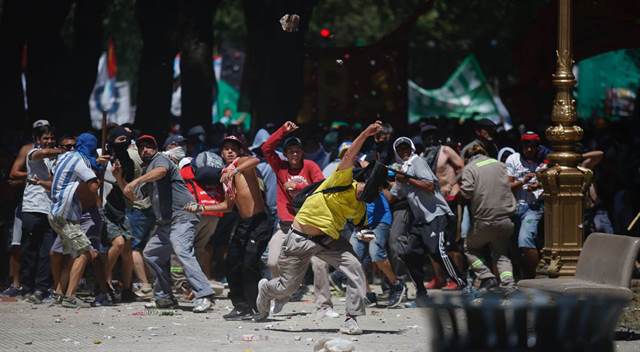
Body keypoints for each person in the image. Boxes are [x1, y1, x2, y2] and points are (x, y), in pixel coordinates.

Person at [256, 121, 388, 336]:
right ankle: (265, 289)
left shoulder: (361, 207)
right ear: (362, 180)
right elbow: (350, 154)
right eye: (371, 187)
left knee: (355, 269)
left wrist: (365, 232)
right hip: (299, 237)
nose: (371, 193)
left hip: (328, 240)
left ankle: (351, 319)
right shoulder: (342, 179)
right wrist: (366, 133)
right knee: (286, 288)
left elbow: (361, 226)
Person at [117, 134, 214, 312]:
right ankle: (164, 297)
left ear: (155, 148)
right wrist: (119, 178)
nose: (145, 149)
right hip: (166, 223)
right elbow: (136, 197)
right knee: (151, 253)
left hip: (182, 215)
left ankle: (205, 294)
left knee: (181, 250)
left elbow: (161, 172)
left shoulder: (161, 159)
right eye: (141, 147)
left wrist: (137, 180)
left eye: (149, 146)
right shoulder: (148, 170)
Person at [185, 135, 272, 320]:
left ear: (240, 150)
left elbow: (257, 159)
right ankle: (241, 307)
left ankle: (258, 307)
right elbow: (227, 206)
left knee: (249, 264)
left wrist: (234, 170)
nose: (230, 151)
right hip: (243, 223)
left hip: (259, 222)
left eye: (234, 148)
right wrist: (201, 207)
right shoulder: (226, 174)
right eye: (226, 149)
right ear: (221, 153)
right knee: (231, 262)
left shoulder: (243, 163)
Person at [261, 121, 338, 318]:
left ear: (302, 152)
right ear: (285, 154)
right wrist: (283, 131)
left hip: (309, 228)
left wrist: (297, 189)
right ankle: (281, 295)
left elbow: (322, 187)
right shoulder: (280, 168)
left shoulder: (310, 166)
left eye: (297, 150)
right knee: (272, 261)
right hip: (286, 227)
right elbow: (266, 148)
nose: (294, 154)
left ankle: (324, 305)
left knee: (320, 264)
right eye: (290, 151)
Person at [389, 137, 466, 306]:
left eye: (406, 148)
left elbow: (429, 186)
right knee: (408, 253)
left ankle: (463, 286)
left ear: (412, 149)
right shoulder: (402, 169)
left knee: (437, 250)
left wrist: (407, 179)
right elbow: (394, 196)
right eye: (400, 150)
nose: (404, 152)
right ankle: (421, 295)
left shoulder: (417, 162)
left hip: (436, 215)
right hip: (420, 220)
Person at [48, 133, 106, 308]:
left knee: (73, 255)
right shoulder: (81, 161)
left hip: (56, 213)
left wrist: (95, 164)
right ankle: (70, 297)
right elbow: (93, 186)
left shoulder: (65, 156)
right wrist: (100, 171)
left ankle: (59, 294)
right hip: (65, 216)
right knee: (85, 253)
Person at [459, 145, 516, 289]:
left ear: (467, 158)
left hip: (484, 221)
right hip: (505, 220)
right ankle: (508, 284)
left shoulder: (470, 168)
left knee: (469, 248)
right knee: (502, 254)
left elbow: (467, 192)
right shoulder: (500, 165)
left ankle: (486, 275)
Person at [20, 124, 62, 303]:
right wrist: (59, 150)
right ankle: (26, 287)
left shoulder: (56, 159)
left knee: (47, 251)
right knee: (30, 250)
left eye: (52, 138)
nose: (49, 141)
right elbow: (42, 154)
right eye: (45, 138)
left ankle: (41, 289)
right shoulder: (33, 153)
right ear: (38, 140)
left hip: (50, 209)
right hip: (32, 208)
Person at [420, 124, 466, 290]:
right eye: (426, 135)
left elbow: (462, 167)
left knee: (451, 242)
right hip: (432, 203)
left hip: (450, 200)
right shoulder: (423, 156)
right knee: (432, 242)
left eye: (432, 134)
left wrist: (453, 185)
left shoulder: (446, 151)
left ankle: (457, 278)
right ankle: (438, 278)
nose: (430, 138)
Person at [505, 132, 547, 279]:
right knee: (513, 246)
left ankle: (535, 276)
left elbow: (548, 182)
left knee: (525, 239)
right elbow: (507, 185)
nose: (529, 149)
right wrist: (523, 180)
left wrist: (538, 184)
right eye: (526, 146)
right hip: (514, 207)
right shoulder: (513, 159)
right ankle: (519, 275)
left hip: (534, 207)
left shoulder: (543, 160)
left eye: (532, 146)